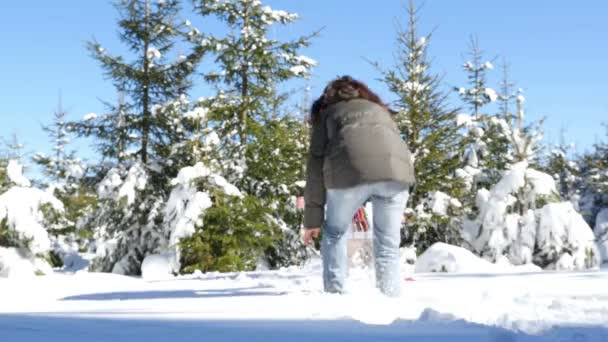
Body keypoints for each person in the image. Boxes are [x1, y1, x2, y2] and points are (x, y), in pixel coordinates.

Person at [302, 75, 415, 297]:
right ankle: (390, 298)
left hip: (347, 173)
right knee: (388, 244)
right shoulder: (380, 111)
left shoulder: (328, 113)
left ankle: (335, 294)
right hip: (396, 176)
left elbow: (315, 166)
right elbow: (398, 149)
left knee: (335, 233)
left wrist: (312, 220)